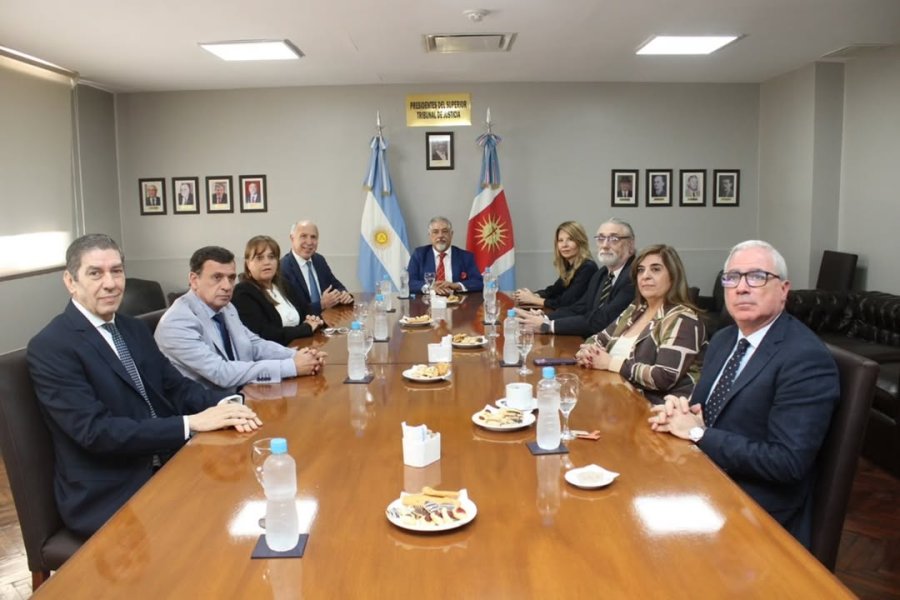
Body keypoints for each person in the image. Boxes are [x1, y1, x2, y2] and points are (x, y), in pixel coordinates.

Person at [27, 234, 262, 537]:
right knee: (213, 529)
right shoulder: (52, 346)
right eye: (95, 273)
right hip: (110, 489)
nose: (111, 283)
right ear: (70, 281)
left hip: (167, 461)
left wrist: (231, 404)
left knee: (247, 494)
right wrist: (190, 424)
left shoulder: (132, 327)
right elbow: (96, 432)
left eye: (117, 271)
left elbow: (175, 387)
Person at [649, 240, 839, 548]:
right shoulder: (725, 339)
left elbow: (787, 462)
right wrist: (683, 412)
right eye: (732, 277)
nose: (741, 287)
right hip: (707, 477)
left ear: (784, 289)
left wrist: (698, 433)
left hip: (755, 507)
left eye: (757, 277)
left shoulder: (804, 358)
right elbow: (710, 411)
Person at [155, 246, 326, 393]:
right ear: (194, 280)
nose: (227, 286)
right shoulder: (177, 322)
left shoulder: (226, 307)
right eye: (217, 277)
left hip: (243, 394)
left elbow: (254, 344)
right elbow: (221, 373)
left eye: (231, 278)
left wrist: (298, 355)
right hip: (204, 412)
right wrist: (291, 367)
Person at [575, 244, 706, 404]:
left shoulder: (683, 319)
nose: (645, 276)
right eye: (641, 270)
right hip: (615, 399)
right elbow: (597, 339)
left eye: (656, 269)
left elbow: (663, 376)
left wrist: (610, 362)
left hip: (657, 410)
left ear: (673, 276)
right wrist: (588, 352)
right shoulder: (635, 310)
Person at [516, 218, 636, 337]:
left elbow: (602, 321)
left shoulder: (634, 277)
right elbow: (580, 308)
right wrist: (544, 318)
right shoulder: (602, 274)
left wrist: (548, 325)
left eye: (613, 239)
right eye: (601, 238)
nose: (605, 245)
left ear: (630, 244)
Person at [233, 235, 324, 345]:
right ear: (248, 264)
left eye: (271, 257)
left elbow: (307, 310)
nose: (267, 262)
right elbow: (264, 334)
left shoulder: (283, 284)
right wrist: (306, 328)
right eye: (259, 258)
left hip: (302, 346)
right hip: (273, 357)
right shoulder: (243, 293)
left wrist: (315, 320)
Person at [513, 221, 598, 310]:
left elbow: (565, 302)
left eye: (570, 239)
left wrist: (533, 299)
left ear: (580, 242)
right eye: (560, 240)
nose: (564, 245)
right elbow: (553, 291)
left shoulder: (588, 267)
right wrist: (532, 295)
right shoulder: (570, 267)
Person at [280, 220, 353, 314]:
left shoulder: (319, 260)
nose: (309, 242)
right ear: (292, 238)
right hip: (303, 326)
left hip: (329, 320)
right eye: (303, 236)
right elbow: (291, 312)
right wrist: (321, 304)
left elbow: (336, 285)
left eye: (313, 237)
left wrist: (344, 294)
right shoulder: (283, 268)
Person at [407, 216, 483, 295]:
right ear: (429, 235)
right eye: (435, 232)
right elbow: (409, 282)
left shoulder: (465, 257)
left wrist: (457, 285)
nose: (440, 236)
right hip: (427, 304)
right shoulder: (419, 255)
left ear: (451, 234)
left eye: (445, 231)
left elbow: (478, 282)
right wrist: (430, 287)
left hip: (457, 303)